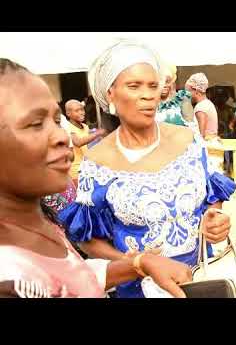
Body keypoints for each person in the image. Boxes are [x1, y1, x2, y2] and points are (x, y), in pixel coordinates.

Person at [0, 58, 193, 298]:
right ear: (110, 94)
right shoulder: (9, 278)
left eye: (57, 121)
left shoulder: (37, 224)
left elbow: (71, 277)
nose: (62, 137)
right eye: (36, 124)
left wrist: (138, 264)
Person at [58, 41, 236, 298]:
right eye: (134, 86)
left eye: (153, 85)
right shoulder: (96, 162)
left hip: (198, 278)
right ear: (111, 94)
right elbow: (86, 238)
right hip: (139, 288)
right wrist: (135, 263)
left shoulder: (189, 140)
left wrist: (215, 218)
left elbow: (213, 196)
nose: (148, 95)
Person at [185, 73, 224, 172]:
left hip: (208, 147)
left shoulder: (200, 108)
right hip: (214, 143)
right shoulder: (208, 103)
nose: (187, 95)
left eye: (188, 91)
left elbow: (200, 135)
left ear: (196, 91)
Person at [64, 99, 106, 186]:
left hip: (86, 167)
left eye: (82, 109)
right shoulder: (68, 127)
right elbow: (78, 143)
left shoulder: (85, 126)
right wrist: (97, 133)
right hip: (75, 170)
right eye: (77, 111)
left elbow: (88, 144)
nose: (81, 112)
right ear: (68, 114)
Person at [155, 63, 196, 129]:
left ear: (172, 81)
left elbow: (192, 128)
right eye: (160, 81)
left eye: (167, 81)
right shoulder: (150, 102)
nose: (164, 85)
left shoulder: (181, 99)